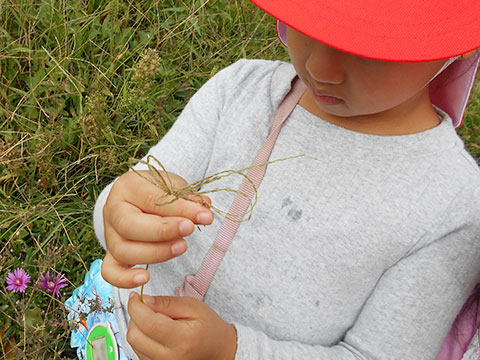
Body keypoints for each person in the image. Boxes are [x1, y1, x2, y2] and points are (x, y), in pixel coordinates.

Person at [80, 0, 480, 359]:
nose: (321, 69)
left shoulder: (453, 203)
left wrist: (230, 351)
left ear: (454, 47)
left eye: (366, 48)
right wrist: (115, 215)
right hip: (120, 327)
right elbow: (137, 196)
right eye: (311, 23)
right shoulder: (240, 90)